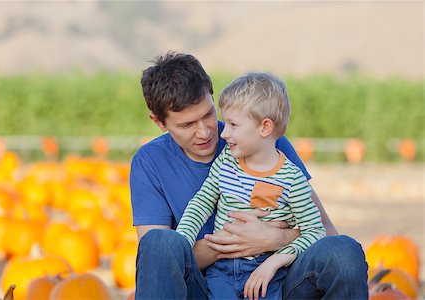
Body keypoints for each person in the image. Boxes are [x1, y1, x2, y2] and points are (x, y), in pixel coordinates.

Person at [131, 51, 368, 299]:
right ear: (158, 122)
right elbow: (162, 265)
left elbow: (325, 231)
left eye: (208, 115)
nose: (205, 132)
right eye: (187, 125)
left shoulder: (262, 142)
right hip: (205, 287)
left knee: (343, 251)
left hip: (274, 282)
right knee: (159, 242)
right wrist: (232, 241)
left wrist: (276, 238)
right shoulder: (148, 163)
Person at [175, 72, 327, 300]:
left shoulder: (292, 179)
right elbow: (203, 201)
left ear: (265, 128)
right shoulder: (226, 160)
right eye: (225, 123)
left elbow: (315, 232)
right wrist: (183, 240)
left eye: (233, 124)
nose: (224, 133)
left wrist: (276, 260)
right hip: (221, 271)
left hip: (267, 272)